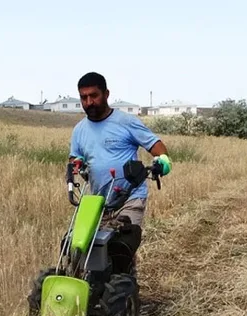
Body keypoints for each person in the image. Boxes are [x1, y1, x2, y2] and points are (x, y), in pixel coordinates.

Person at [69, 71, 171, 273]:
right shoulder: (79, 130)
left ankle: (125, 287)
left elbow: (158, 148)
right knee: (81, 250)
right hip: (97, 201)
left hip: (129, 197)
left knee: (120, 251)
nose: (89, 102)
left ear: (106, 94)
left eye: (94, 96)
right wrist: (78, 163)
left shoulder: (125, 122)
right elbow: (75, 158)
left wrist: (162, 162)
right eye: (84, 97)